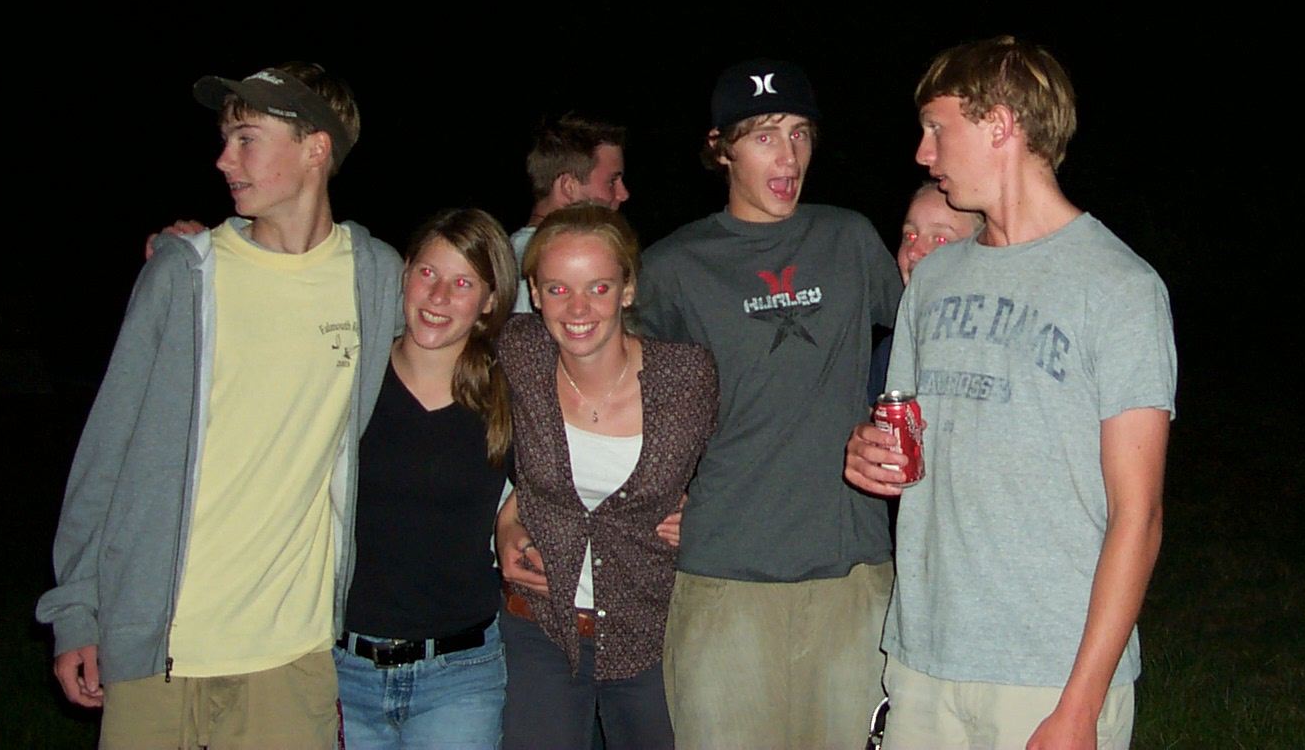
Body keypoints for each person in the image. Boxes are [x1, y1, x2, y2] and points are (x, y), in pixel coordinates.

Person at [37, 63, 401, 750]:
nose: (223, 160)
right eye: (226, 140)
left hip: (289, 653)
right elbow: (106, 450)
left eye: (246, 139)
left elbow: (473, 325)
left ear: (316, 148)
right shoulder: (185, 274)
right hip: (156, 645)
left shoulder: (375, 277)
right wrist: (77, 610)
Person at [846, 36, 1178, 750]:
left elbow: (1139, 515)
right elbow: (906, 439)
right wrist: (868, 451)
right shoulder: (932, 283)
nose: (923, 154)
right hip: (924, 658)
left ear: (999, 124)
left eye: (937, 128)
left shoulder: (1119, 288)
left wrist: (1080, 706)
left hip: (1049, 673)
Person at [639, 58, 903, 750]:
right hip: (724, 574)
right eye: (763, 136)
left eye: (799, 133)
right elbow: (604, 385)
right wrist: (648, 491)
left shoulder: (849, 239)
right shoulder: (673, 266)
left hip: (851, 571)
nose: (788, 157)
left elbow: (925, 346)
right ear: (721, 148)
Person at [493, 205, 718, 749]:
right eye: (557, 288)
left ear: (628, 288)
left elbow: (742, 462)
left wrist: (710, 514)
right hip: (541, 627)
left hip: (652, 631)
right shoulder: (519, 353)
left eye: (598, 287)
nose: (577, 309)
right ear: (533, 292)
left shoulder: (686, 377)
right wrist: (504, 522)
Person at [334, 209, 518, 749]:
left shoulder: (509, 395)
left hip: (459, 675)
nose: (438, 296)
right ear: (404, 272)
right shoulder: (352, 377)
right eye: (428, 273)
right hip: (343, 668)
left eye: (463, 283)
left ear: (490, 300)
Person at [869, 183, 987, 402]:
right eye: (910, 235)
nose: (913, 252)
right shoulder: (890, 354)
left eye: (940, 239)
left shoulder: (1003, 352)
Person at [511, 115, 630, 313]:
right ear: (569, 186)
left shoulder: (510, 256)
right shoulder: (536, 263)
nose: (623, 194)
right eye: (611, 181)